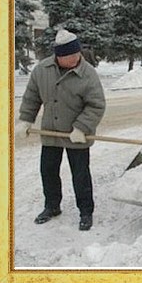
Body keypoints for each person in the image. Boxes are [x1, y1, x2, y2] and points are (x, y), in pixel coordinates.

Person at [16, 29, 106, 231]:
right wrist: (26, 121)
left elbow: (96, 105)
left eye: (77, 54)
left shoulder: (87, 73)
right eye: (70, 56)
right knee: (48, 171)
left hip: (77, 135)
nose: (75, 59)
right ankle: (52, 206)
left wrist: (82, 127)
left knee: (80, 174)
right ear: (58, 56)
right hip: (51, 132)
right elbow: (32, 97)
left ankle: (85, 212)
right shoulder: (42, 70)